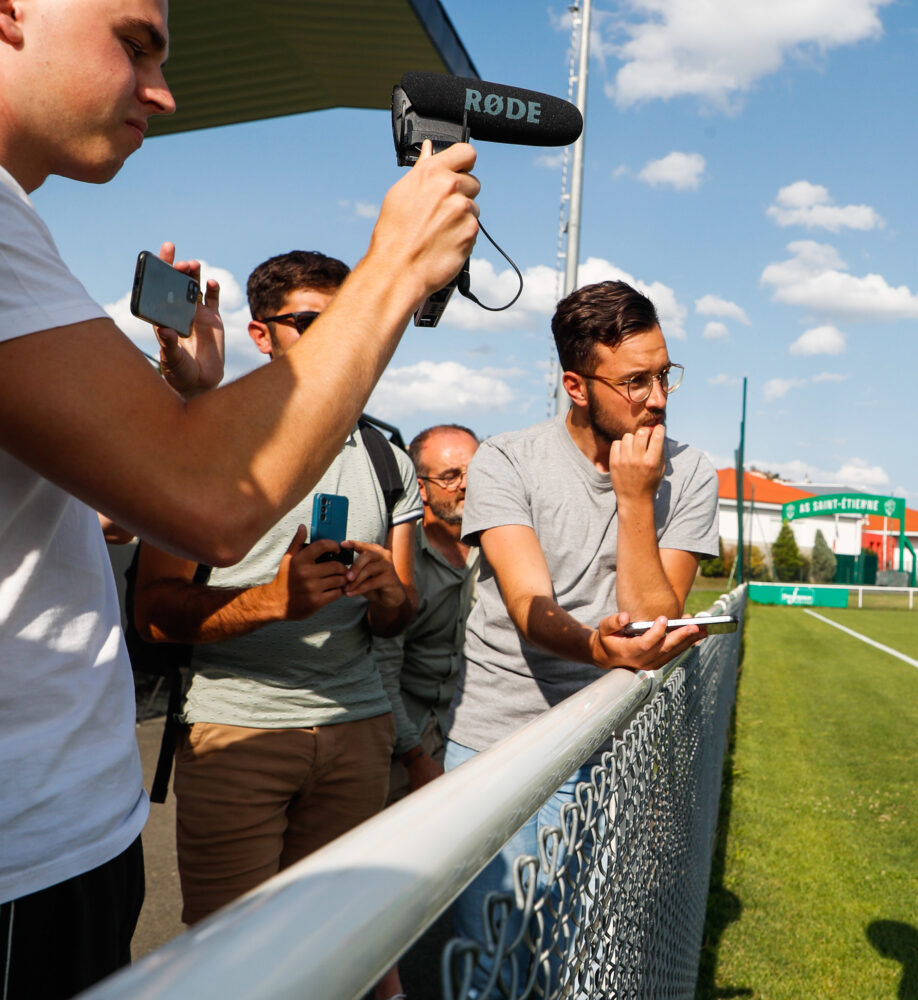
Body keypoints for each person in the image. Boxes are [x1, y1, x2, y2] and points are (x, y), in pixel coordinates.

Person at [0, 1, 477, 995]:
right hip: (32, 850)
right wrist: (393, 269)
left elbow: (110, 507)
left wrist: (195, 402)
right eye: (133, 44)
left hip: (73, 831)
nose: (163, 93)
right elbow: (205, 504)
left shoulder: (20, 221)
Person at [132, 251, 421, 929]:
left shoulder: (388, 458)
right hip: (238, 731)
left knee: (331, 940)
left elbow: (402, 614)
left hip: (359, 730)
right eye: (308, 322)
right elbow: (154, 613)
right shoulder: (204, 441)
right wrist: (271, 601)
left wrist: (386, 594)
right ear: (261, 335)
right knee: (229, 953)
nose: (333, 340)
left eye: (347, 321)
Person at [445, 279, 720, 984]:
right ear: (576, 384)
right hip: (502, 742)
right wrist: (599, 646)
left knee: (587, 963)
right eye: (635, 381)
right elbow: (528, 602)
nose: (657, 398)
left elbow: (658, 615)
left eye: (664, 374)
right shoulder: (506, 460)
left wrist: (635, 498)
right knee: (499, 967)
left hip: (612, 745)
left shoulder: (686, 472)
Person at [376, 423, 483, 802]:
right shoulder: (402, 559)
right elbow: (383, 670)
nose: (466, 485)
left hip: (474, 729)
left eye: (475, 472)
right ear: (419, 487)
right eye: (451, 476)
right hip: (401, 738)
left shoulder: (501, 548)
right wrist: (414, 756)